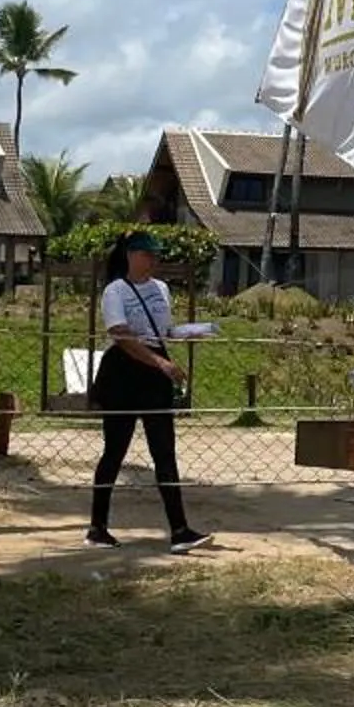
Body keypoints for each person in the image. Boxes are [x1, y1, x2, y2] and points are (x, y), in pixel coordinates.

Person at [87, 230, 213, 553]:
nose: (153, 261)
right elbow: (122, 335)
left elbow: (160, 331)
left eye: (156, 255)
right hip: (123, 373)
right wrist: (160, 362)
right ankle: (97, 527)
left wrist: (187, 333)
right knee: (115, 450)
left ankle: (180, 530)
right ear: (131, 255)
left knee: (165, 452)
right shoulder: (114, 292)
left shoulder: (162, 290)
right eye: (147, 254)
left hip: (154, 373)